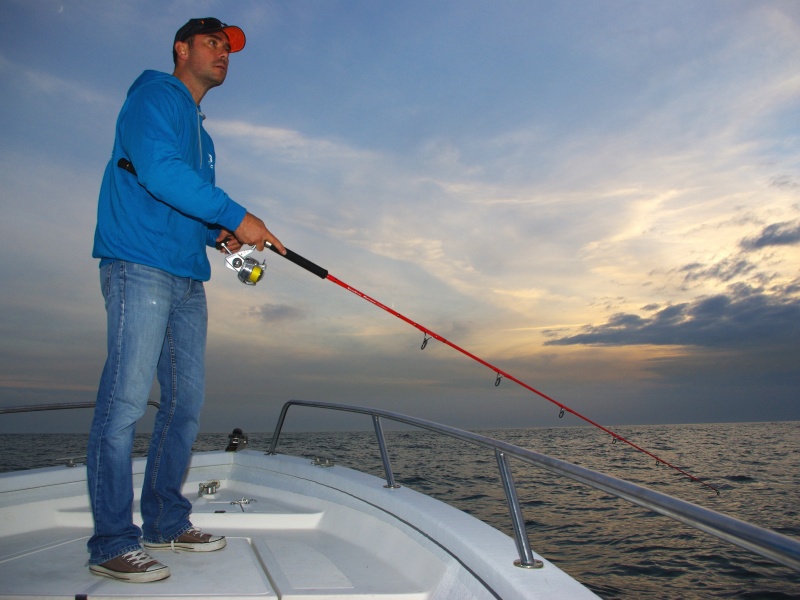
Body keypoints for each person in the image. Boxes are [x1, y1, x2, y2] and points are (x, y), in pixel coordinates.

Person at [87, 17, 285, 583]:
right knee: (124, 404)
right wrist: (238, 216)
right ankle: (110, 543)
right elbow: (158, 171)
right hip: (138, 266)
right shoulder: (154, 96)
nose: (224, 53)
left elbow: (181, 200)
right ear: (182, 48)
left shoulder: (205, 136)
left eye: (230, 48)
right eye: (213, 43)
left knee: (185, 405)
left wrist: (215, 232)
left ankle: (166, 522)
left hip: (186, 275)